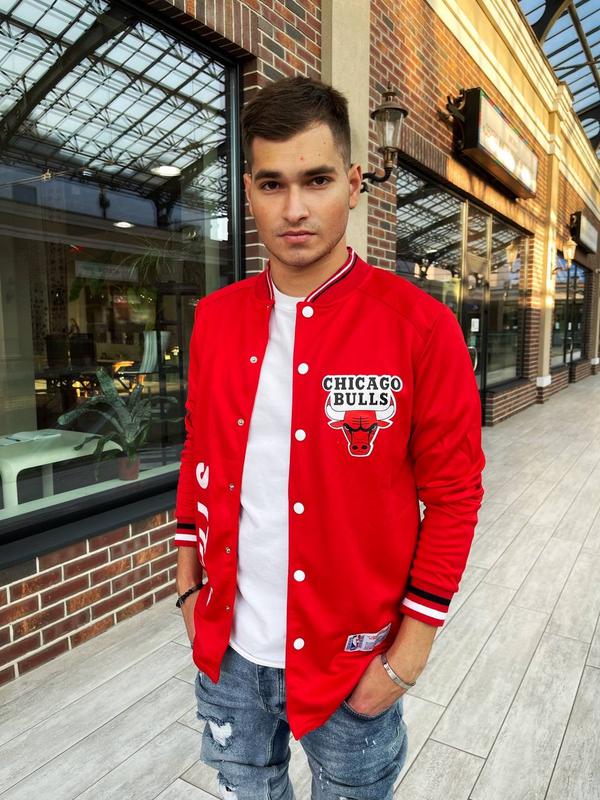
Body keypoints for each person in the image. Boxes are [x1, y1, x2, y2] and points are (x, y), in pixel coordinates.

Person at [174, 76, 485, 800]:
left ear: (353, 182)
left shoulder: (420, 328)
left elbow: (455, 494)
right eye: (271, 184)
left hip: (355, 662)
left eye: (316, 180)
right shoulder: (215, 321)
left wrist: (407, 657)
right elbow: (199, 453)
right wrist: (188, 589)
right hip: (230, 654)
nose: (294, 209)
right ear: (248, 191)